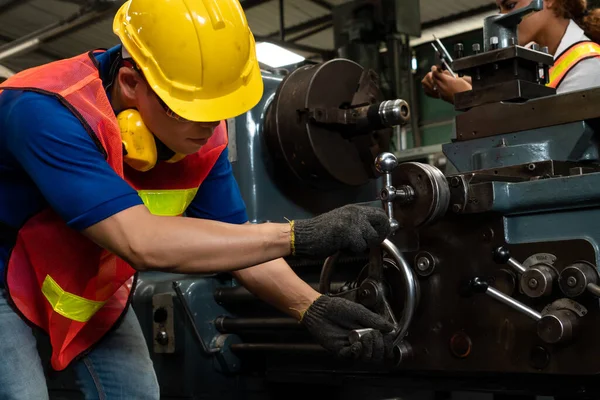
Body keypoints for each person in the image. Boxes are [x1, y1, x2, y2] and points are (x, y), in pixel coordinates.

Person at [0, 1, 397, 398]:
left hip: (86, 291)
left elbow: (236, 239)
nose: (209, 125)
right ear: (129, 83)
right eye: (191, 109)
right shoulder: (45, 109)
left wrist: (311, 306)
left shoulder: (201, 136)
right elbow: (139, 240)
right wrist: (300, 236)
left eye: (218, 108)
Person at [422, 0, 600, 103]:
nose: (502, 17)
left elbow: (542, 136)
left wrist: (470, 100)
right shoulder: (531, 57)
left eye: (510, 5)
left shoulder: (589, 65)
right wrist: (470, 84)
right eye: (500, 9)